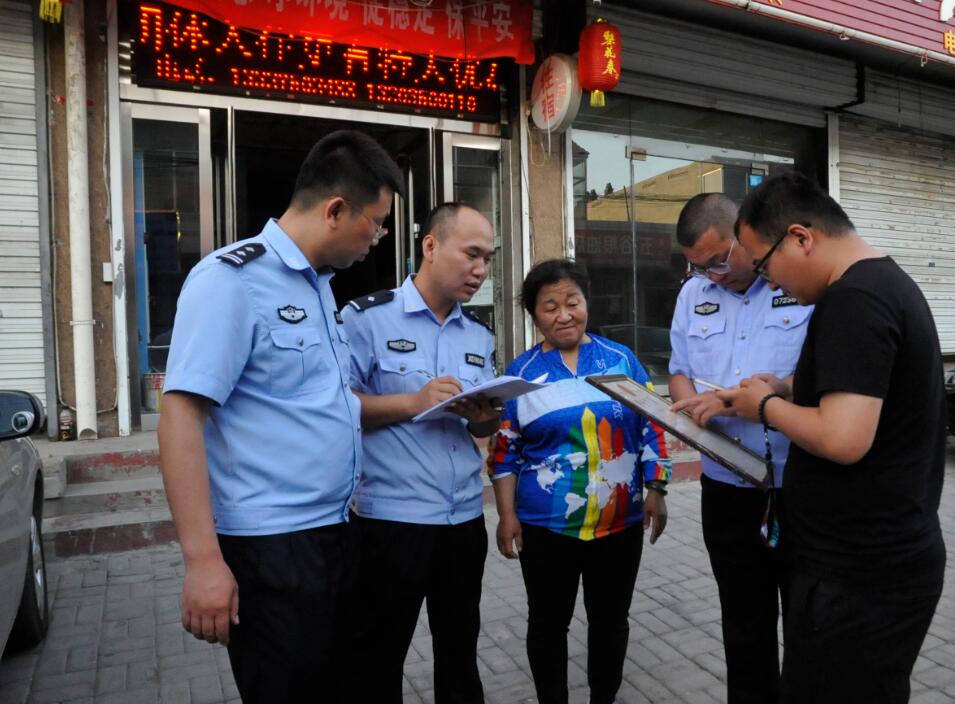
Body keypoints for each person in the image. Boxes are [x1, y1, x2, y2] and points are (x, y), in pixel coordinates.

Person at [158, 129, 404, 702]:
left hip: (335, 533)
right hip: (271, 548)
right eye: (376, 223)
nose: (379, 239)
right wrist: (202, 561)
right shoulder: (232, 280)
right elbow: (180, 417)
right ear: (335, 210)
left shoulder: (320, 288)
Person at [717, 171, 946, 704]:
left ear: (800, 237)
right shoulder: (880, 284)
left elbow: (844, 438)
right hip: (875, 563)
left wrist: (765, 406)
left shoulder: (855, 300)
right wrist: (787, 387)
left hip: (859, 576)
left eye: (764, 265)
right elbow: (865, 385)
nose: (771, 283)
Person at [487, 258, 672, 704]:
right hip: (546, 526)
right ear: (534, 316)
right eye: (550, 306)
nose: (564, 314)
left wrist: (657, 488)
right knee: (547, 624)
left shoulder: (620, 360)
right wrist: (507, 516)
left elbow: (653, 424)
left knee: (611, 621)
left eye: (573, 302)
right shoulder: (521, 375)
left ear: (587, 303)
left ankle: (603, 697)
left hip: (620, 522)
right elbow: (504, 453)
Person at [341, 202, 501, 704]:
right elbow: (336, 407)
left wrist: (484, 418)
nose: (480, 270)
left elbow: (487, 425)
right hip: (393, 520)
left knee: (459, 653)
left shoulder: (479, 335)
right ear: (430, 246)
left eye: (488, 259)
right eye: (472, 254)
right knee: (377, 658)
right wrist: (413, 402)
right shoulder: (366, 319)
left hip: (463, 519)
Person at [667, 193, 811, 704]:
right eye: (699, 266)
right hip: (726, 487)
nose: (712, 274)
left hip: (798, 487)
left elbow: (825, 376)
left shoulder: (799, 287)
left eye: (719, 260)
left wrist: (765, 398)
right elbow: (680, 370)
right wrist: (690, 412)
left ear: (746, 236)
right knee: (744, 626)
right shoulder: (693, 295)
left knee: (808, 626)